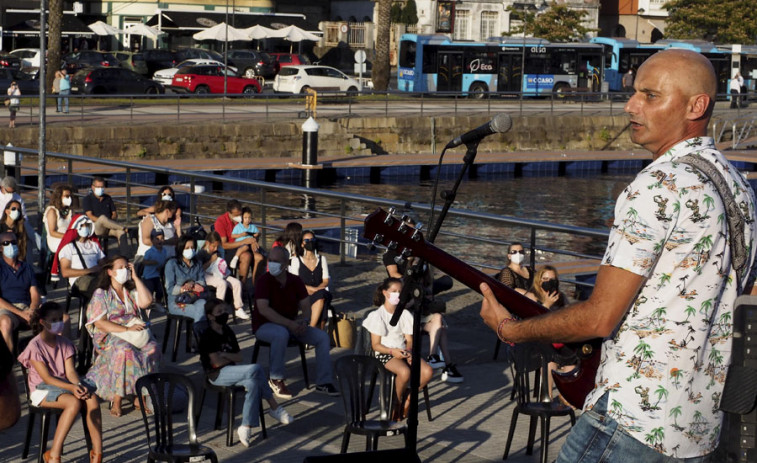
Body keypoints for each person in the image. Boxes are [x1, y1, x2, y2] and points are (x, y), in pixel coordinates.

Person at [480, 49, 757, 461]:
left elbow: (599, 316)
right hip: (696, 428)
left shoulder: (657, 186)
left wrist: (509, 329)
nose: (631, 105)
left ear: (696, 106)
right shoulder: (737, 185)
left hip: (632, 421)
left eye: (649, 95)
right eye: (633, 92)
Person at [198, 298, 291, 447]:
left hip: (232, 371)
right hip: (216, 375)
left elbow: (239, 356)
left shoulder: (227, 331)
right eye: (219, 312)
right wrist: (226, 357)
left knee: (254, 382)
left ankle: (246, 426)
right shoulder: (207, 336)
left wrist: (225, 355)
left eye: (224, 310)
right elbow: (215, 363)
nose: (224, 314)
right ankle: (274, 407)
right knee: (256, 369)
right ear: (210, 316)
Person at [18, 302, 103, 463]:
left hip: (64, 385)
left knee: (92, 399)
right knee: (73, 404)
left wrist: (78, 386)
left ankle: (97, 454)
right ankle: (54, 455)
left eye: (60, 319)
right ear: (43, 322)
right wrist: (72, 387)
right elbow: (47, 378)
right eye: (54, 319)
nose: (58, 323)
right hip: (41, 390)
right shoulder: (35, 346)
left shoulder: (64, 343)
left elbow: (70, 372)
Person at [382, 217, 462, 383]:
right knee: (440, 328)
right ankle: (448, 364)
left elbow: (428, 280)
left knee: (438, 319)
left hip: (418, 304)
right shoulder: (392, 253)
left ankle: (433, 356)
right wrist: (413, 278)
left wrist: (426, 289)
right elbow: (394, 276)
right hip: (404, 306)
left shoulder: (419, 254)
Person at [253, 246, 339, 399]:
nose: (272, 264)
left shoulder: (295, 280)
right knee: (280, 334)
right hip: (265, 326)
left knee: (322, 337)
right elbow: (263, 309)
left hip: (292, 324)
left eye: (276, 261)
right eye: (270, 260)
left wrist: (305, 321)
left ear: (286, 264)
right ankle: (276, 378)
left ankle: (324, 382)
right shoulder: (264, 281)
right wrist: (290, 324)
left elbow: (306, 304)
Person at [84, 255, 159, 417]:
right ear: (110, 272)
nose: (124, 270)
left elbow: (147, 302)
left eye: (127, 267)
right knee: (125, 351)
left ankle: (141, 394)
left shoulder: (130, 290)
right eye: (121, 267)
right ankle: (117, 398)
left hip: (134, 332)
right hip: (111, 334)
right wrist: (126, 330)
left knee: (153, 347)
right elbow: (100, 323)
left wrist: (136, 277)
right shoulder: (102, 293)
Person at [363, 278, 434, 420]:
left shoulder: (405, 314)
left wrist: (408, 350)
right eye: (394, 291)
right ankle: (396, 402)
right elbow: (375, 345)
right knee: (404, 371)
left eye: (400, 292)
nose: (397, 294)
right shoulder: (377, 316)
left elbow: (409, 339)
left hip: (402, 351)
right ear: (385, 293)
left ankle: (408, 395)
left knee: (427, 371)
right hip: (385, 353)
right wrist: (392, 351)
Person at [0, 231, 45, 352]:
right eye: (6, 243)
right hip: (7, 309)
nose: (11, 246)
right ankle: (7, 365)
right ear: (0, 248)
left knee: (54, 320)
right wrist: (21, 313)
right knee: (5, 322)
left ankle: (53, 360)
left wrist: (32, 309)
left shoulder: (27, 268)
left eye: (13, 242)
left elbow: (34, 292)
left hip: (26, 307)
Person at [198, 231, 249, 320]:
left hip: (219, 272)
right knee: (222, 284)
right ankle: (218, 309)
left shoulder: (219, 250)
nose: (215, 248)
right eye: (213, 246)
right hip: (206, 274)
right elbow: (199, 269)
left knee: (237, 283)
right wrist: (211, 261)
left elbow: (221, 264)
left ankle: (238, 307)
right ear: (207, 243)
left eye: (217, 246)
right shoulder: (202, 252)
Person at [288, 230, 331, 329]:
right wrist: (313, 290)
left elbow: (325, 281)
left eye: (312, 239)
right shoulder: (296, 260)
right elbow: (295, 283)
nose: (310, 242)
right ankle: (317, 331)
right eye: (307, 240)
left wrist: (316, 290)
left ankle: (311, 330)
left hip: (320, 291)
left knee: (321, 297)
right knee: (322, 300)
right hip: (303, 295)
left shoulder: (322, 259)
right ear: (302, 244)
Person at [214, 200, 263, 287]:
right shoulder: (221, 221)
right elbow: (223, 244)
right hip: (229, 249)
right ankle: (242, 285)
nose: (239, 217)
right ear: (229, 213)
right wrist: (243, 242)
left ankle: (256, 286)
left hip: (246, 245)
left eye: (240, 214)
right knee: (246, 256)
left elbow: (252, 232)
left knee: (260, 257)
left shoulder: (244, 218)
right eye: (236, 215)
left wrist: (254, 240)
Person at [55, 215, 105, 300]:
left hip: (96, 276)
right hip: (79, 280)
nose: (85, 228)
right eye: (82, 226)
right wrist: (90, 270)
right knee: (98, 288)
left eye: (87, 225)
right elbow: (65, 272)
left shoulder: (94, 245)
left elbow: (104, 263)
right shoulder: (68, 247)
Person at [81, 176, 129, 256]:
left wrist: (109, 221)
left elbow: (114, 213)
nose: (100, 189)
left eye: (102, 187)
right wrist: (104, 221)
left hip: (109, 227)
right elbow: (90, 216)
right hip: (95, 227)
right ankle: (123, 227)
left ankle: (125, 257)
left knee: (121, 232)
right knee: (102, 218)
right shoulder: (87, 199)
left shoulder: (108, 198)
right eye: (98, 187)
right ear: (93, 187)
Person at [164, 235, 207, 323]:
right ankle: (201, 335)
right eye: (187, 248)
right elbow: (169, 288)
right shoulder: (172, 264)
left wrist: (193, 284)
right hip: (177, 302)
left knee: (204, 305)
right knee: (200, 312)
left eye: (192, 247)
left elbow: (203, 282)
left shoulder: (197, 263)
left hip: (195, 298)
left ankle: (200, 334)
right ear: (181, 249)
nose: (190, 250)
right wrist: (183, 288)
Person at [43, 184, 75, 254]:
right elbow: (52, 232)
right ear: (59, 197)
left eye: (70, 196)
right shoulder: (52, 211)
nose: (69, 198)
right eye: (66, 196)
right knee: (70, 247)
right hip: (56, 239)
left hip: (69, 238)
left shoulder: (69, 211)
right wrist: (68, 237)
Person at [141, 229, 167, 304]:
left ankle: (158, 303)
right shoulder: (150, 252)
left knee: (160, 290)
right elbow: (144, 261)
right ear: (152, 240)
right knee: (150, 290)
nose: (160, 241)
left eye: (162, 238)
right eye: (157, 239)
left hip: (158, 274)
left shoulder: (164, 251)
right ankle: (149, 304)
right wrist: (152, 262)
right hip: (149, 276)